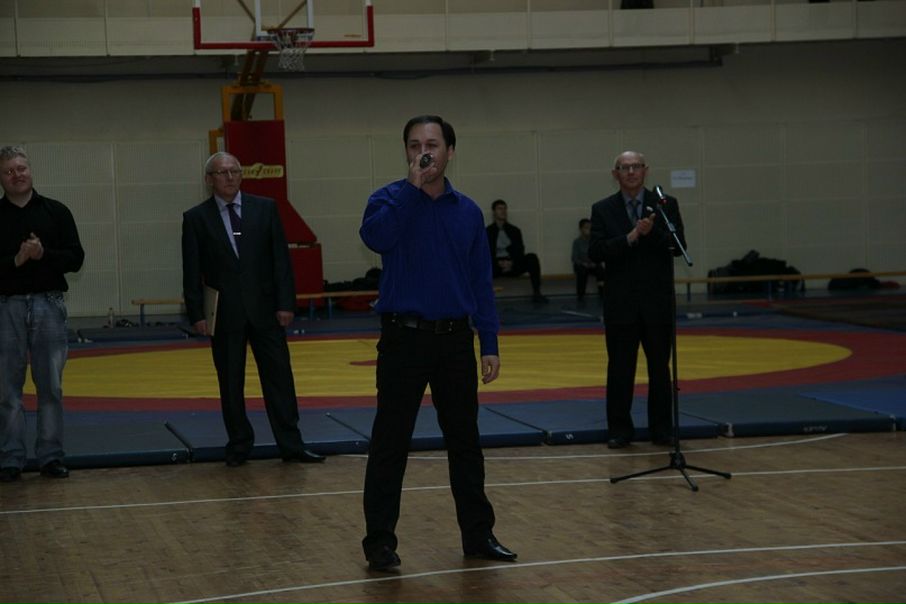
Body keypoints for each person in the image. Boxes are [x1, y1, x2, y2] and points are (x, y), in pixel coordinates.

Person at [359, 115, 517, 572]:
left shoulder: (467, 211)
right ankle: (379, 542)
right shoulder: (387, 200)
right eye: (414, 145)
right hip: (403, 339)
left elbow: (480, 282)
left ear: (450, 151)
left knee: (465, 441)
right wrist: (411, 190)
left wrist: (489, 341)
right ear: (406, 153)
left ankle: (478, 534)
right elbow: (376, 238)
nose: (423, 152)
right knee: (390, 442)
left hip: (454, 341)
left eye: (431, 144)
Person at [181, 151, 323, 467]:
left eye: (234, 171)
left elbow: (280, 260)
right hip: (224, 314)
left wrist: (286, 303)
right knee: (231, 383)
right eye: (222, 172)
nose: (230, 177)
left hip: (267, 311)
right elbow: (191, 270)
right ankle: (239, 445)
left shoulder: (265, 208)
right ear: (209, 180)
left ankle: (292, 445)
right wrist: (197, 314)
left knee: (280, 379)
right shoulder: (195, 218)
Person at [588, 151, 686, 449]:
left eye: (636, 167)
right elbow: (596, 251)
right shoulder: (603, 208)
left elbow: (678, 247)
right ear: (615, 174)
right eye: (624, 167)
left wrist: (652, 231)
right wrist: (630, 238)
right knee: (620, 369)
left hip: (657, 303)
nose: (631, 172)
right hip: (621, 304)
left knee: (660, 369)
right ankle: (619, 430)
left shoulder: (665, 205)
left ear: (645, 171)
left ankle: (662, 429)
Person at [0, 145, 84, 482]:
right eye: (9, 171)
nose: (17, 175)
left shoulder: (56, 212)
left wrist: (43, 254)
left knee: (50, 386)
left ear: (30, 170)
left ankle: (50, 456)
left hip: (49, 304)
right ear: (1, 178)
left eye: (21, 168)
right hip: (6, 307)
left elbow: (76, 258)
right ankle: (11, 458)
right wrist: (16, 260)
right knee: (7, 389)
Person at [486, 199, 548, 302]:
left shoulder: (514, 230)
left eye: (505, 209)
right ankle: (481, 297)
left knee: (532, 257)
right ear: (494, 212)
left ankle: (537, 293)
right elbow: (485, 252)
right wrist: (498, 263)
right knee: (479, 262)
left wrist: (511, 262)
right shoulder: (488, 231)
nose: (503, 211)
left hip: (513, 263)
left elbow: (520, 250)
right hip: (495, 265)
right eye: (500, 209)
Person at [571, 218, 605, 300]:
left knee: (600, 270)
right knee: (581, 272)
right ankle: (581, 295)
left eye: (590, 228)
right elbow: (574, 257)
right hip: (581, 265)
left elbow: (598, 254)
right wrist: (583, 263)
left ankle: (602, 293)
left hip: (593, 264)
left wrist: (595, 262)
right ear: (581, 229)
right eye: (586, 227)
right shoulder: (577, 242)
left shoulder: (594, 241)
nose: (588, 230)